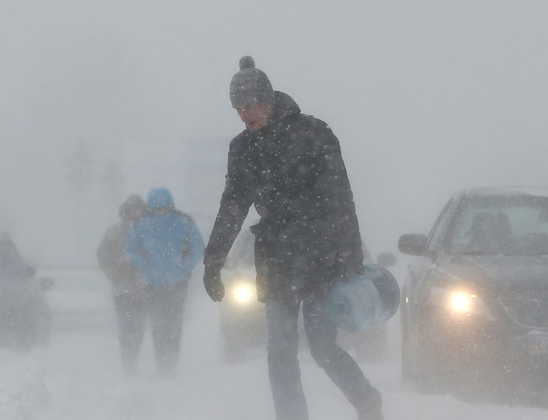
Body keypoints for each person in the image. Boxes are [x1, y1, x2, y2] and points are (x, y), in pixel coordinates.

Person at [202, 56, 383, 420]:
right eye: (237, 107)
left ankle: (367, 402)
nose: (243, 114)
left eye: (250, 104)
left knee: (322, 348)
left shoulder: (314, 133)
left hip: (322, 256)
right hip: (276, 258)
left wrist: (349, 259)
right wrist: (213, 262)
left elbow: (340, 198)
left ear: (268, 100)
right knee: (280, 353)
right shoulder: (243, 148)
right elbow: (232, 206)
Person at [127, 187, 205, 377]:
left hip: (177, 282)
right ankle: (162, 363)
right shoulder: (140, 225)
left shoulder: (183, 222)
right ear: (152, 208)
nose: (162, 211)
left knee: (174, 324)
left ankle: (171, 364)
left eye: (165, 207)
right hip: (153, 282)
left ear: (171, 205)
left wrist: (185, 266)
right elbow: (131, 250)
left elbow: (198, 246)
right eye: (158, 207)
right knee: (158, 324)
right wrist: (144, 263)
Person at [97, 194, 148, 374]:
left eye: (139, 209)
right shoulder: (114, 231)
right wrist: (114, 274)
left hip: (143, 288)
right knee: (126, 327)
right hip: (122, 288)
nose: (136, 212)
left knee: (139, 327)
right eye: (132, 209)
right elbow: (103, 256)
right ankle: (128, 362)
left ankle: (133, 359)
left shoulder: (149, 230)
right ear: (125, 211)